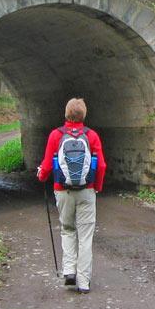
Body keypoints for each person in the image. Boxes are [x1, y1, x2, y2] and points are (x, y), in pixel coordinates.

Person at [37, 98, 106, 294]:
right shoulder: (92, 136)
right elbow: (101, 165)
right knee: (85, 236)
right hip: (87, 190)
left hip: (63, 190)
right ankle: (84, 282)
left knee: (67, 229)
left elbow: (48, 166)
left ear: (66, 113)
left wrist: (41, 176)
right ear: (84, 114)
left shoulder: (55, 135)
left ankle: (68, 271)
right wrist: (97, 187)